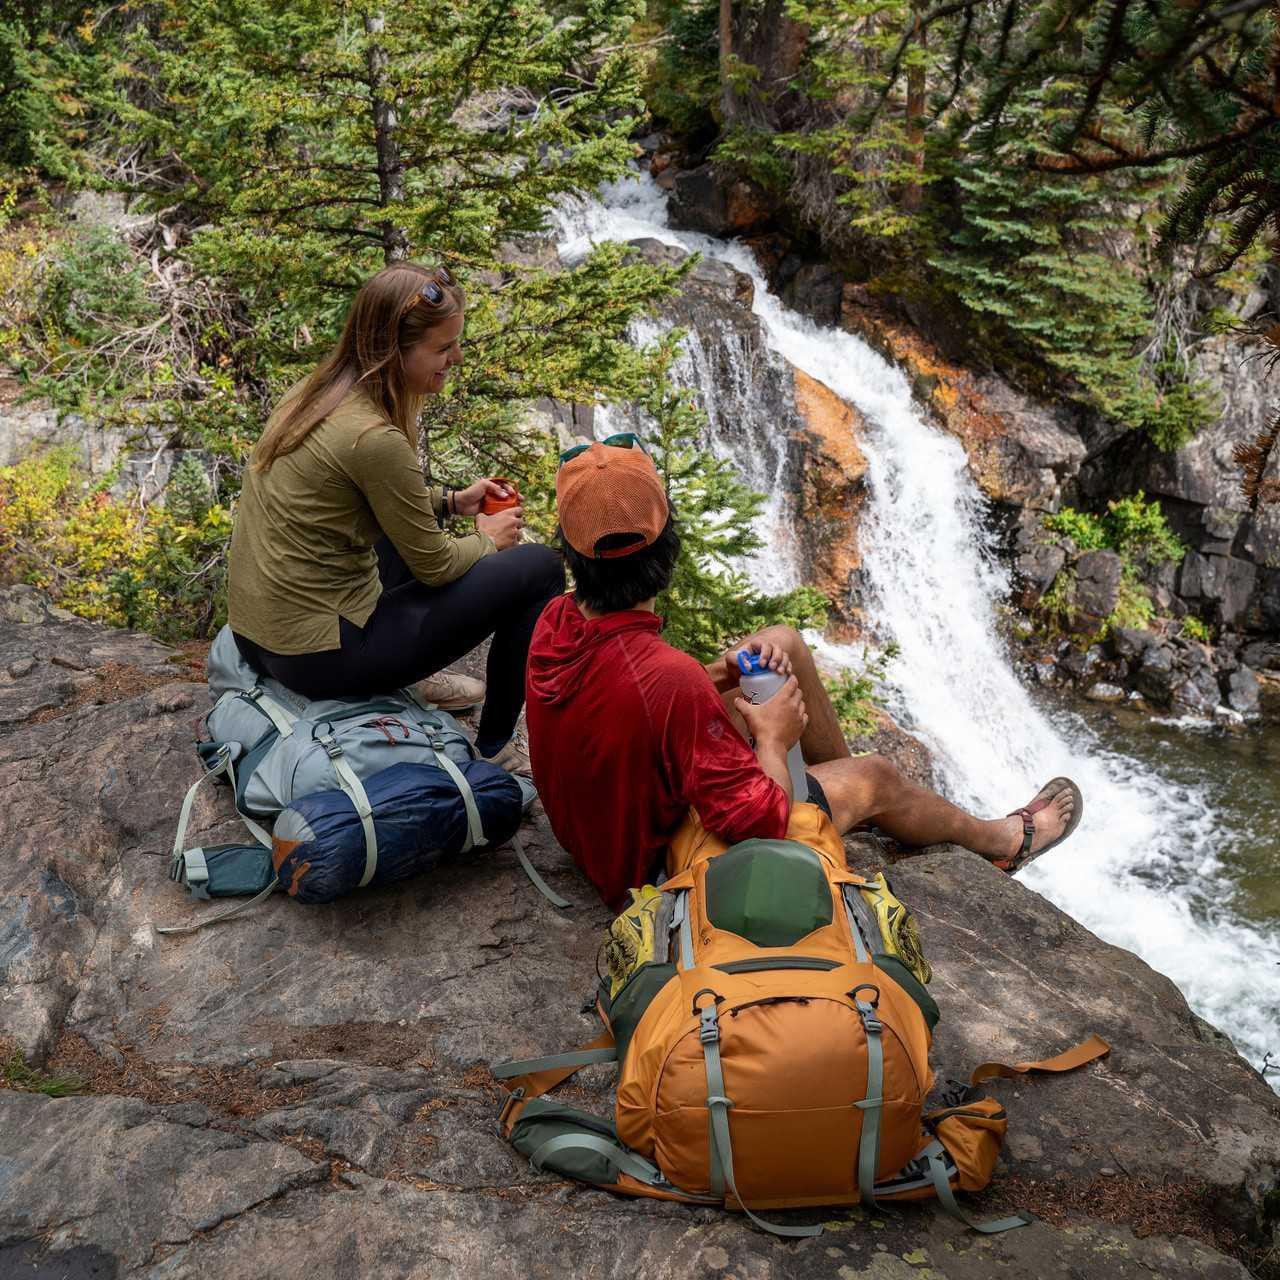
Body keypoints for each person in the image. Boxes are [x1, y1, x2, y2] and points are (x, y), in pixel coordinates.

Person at [525, 437, 1083, 909]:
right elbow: (760, 824)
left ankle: (837, 802)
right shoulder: (669, 680)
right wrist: (774, 737)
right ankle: (1003, 840)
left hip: (598, 829)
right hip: (650, 870)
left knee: (782, 642)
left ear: (575, 557)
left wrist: (716, 672)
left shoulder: (557, 618)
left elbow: (633, 693)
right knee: (877, 775)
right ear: (668, 546)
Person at [227, 263, 562, 772]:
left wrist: (451, 501)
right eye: (443, 348)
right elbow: (436, 565)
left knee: (393, 534)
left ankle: (410, 677)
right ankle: (494, 746)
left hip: (258, 638)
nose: (457, 357)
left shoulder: (317, 394)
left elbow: (363, 499)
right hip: (317, 657)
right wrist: (489, 538)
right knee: (538, 569)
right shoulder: (374, 439)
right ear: (393, 351)